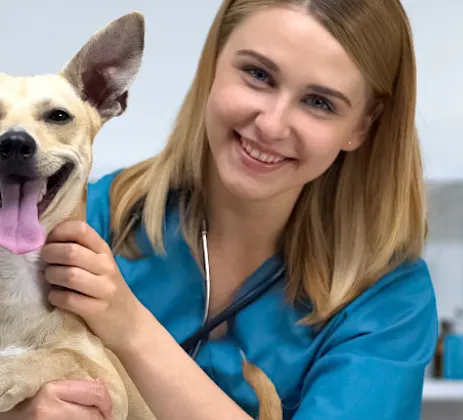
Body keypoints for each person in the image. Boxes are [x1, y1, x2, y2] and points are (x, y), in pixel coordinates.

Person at [4, 0, 438, 419]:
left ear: (361, 125)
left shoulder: (389, 302)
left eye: (319, 102)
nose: (270, 124)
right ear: (212, 63)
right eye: (258, 74)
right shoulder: (82, 219)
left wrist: (131, 327)